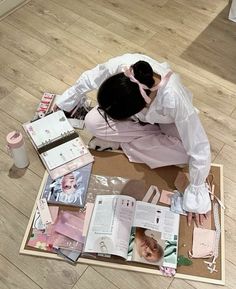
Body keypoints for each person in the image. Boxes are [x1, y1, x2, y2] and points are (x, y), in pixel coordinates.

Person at [55, 53, 211, 225]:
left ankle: (125, 140)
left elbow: (199, 148)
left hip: (169, 123)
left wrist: (196, 194)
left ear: (141, 107)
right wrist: (65, 102)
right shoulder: (122, 67)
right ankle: (136, 140)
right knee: (92, 121)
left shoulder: (174, 98)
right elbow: (90, 78)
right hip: (140, 121)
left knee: (185, 155)